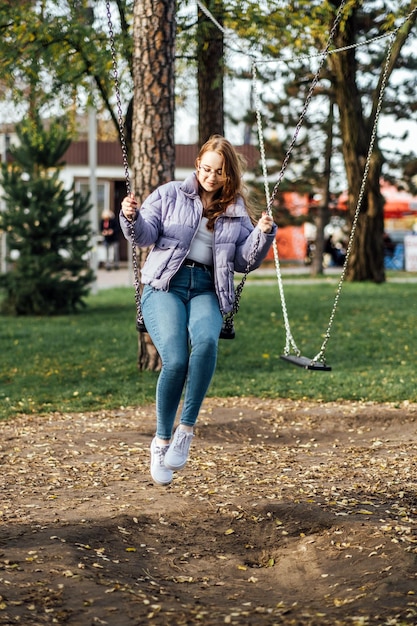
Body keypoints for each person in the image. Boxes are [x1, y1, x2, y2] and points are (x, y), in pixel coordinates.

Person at [120, 135, 276, 486]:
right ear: (197, 166)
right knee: (175, 359)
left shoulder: (235, 208)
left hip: (207, 287)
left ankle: (185, 430)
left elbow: (244, 260)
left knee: (206, 342)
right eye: (206, 169)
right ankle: (161, 440)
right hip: (165, 286)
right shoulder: (170, 194)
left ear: (228, 173)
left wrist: (263, 234)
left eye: (218, 171)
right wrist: (129, 216)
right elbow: (144, 235)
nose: (210, 176)